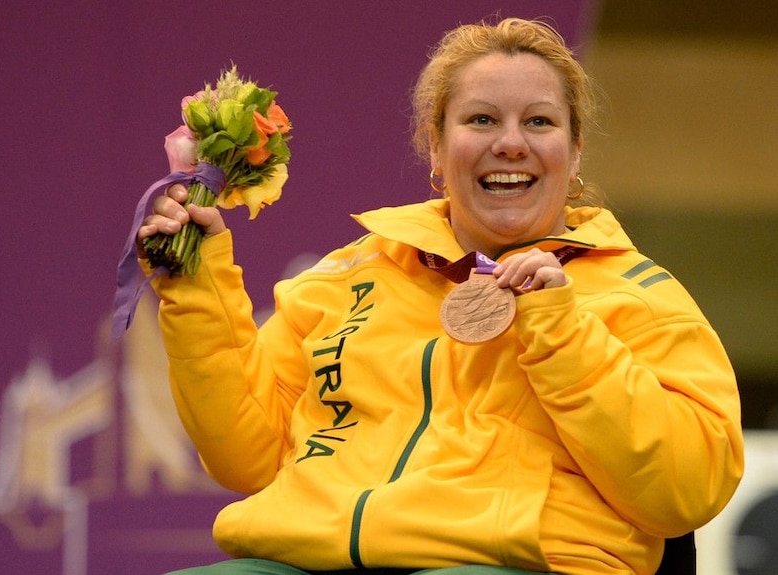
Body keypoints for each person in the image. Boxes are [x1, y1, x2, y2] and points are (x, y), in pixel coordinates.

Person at [135, 17, 743, 575]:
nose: (510, 143)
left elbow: (685, 490)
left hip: (516, 562)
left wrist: (564, 333)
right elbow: (245, 454)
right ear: (435, 146)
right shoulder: (345, 275)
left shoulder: (639, 294)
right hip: (308, 555)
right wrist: (195, 286)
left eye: (539, 121)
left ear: (575, 151)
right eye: (481, 120)